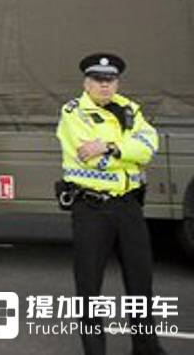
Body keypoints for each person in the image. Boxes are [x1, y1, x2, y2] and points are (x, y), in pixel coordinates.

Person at [56, 53, 164, 355]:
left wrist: (108, 146)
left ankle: (146, 348)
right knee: (89, 290)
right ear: (86, 83)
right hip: (92, 208)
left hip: (129, 206)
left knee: (141, 283)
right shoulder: (73, 113)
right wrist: (124, 151)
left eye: (110, 80)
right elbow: (89, 157)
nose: (104, 86)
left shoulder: (130, 108)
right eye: (98, 80)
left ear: (117, 82)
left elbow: (150, 146)